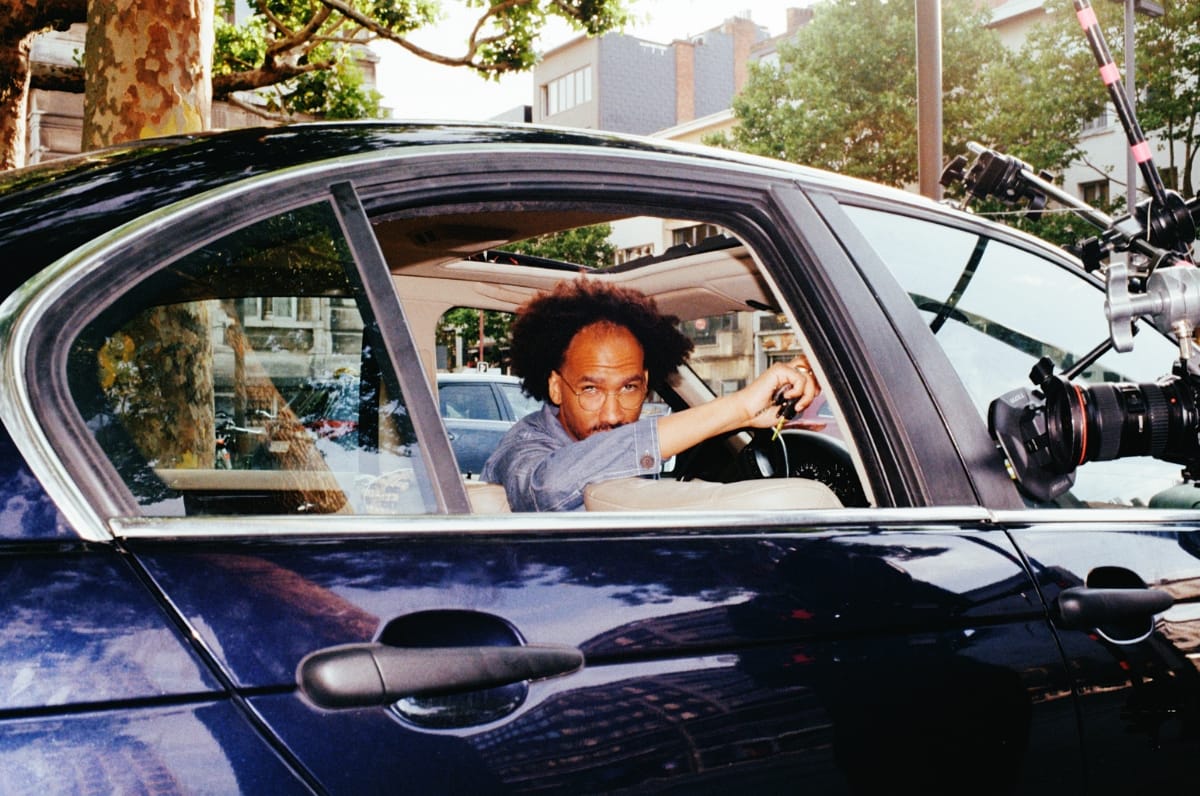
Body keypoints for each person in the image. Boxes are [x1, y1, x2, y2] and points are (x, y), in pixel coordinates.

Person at [481, 278, 819, 511]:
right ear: (556, 386)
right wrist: (739, 408)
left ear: (645, 382)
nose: (613, 415)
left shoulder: (611, 432)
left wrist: (749, 419)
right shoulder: (523, 447)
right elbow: (547, 489)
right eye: (590, 389)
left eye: (629, 388)